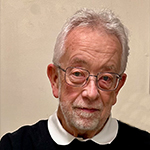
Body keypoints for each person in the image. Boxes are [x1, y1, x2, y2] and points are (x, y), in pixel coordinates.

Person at [0, 8, 150, 149]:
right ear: (55, 79)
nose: (91, 93)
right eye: (78, 74)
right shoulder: (14, 146)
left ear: (117, 88)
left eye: (106, 78)